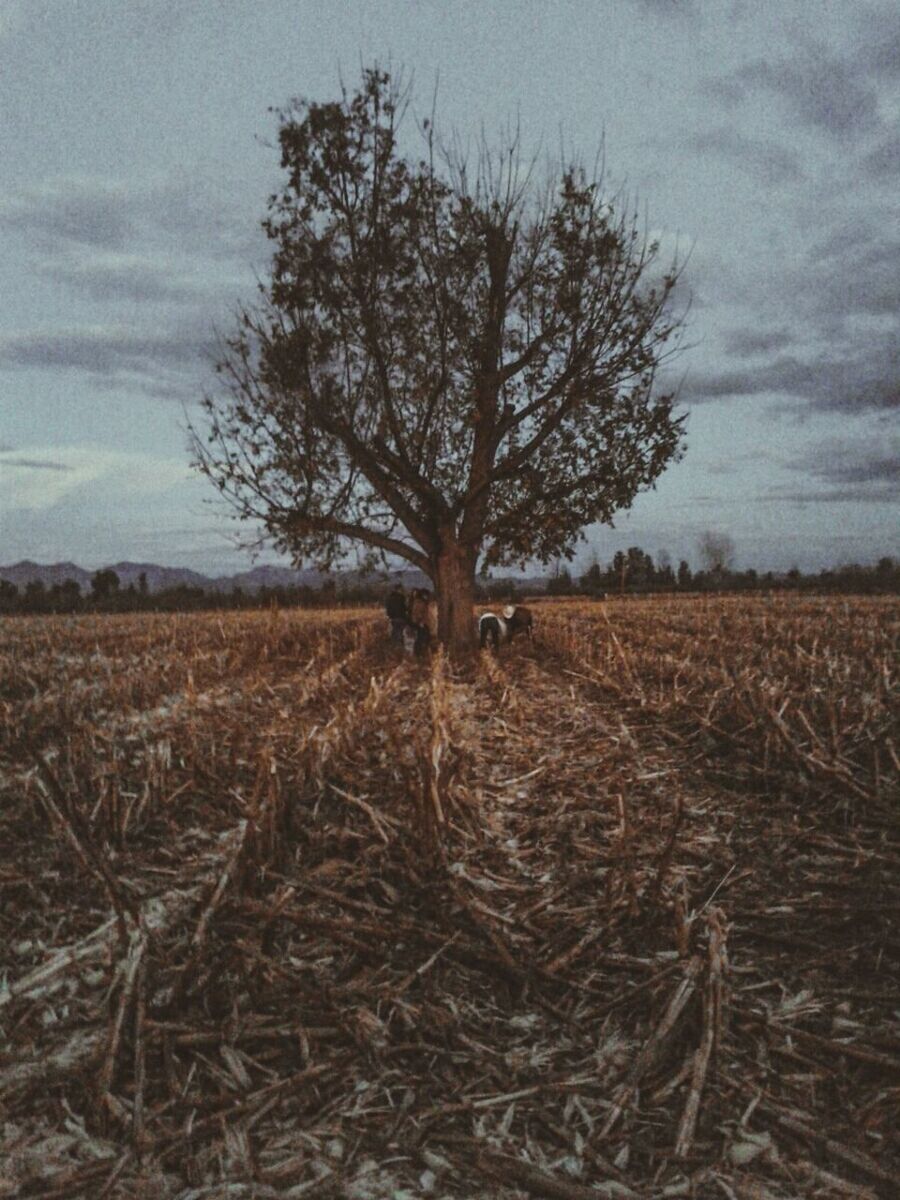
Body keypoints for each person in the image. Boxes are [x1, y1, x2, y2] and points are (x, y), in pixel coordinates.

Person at [408, 587, 432, 657]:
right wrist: (420, 622)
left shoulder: (419, 601)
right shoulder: (419, 602)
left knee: (421, 638)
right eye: (426, 595)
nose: (428, 597)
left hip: (421, 622)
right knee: (421, 638)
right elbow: (418, 613)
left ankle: (420, 653)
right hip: (420, 623)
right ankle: (419, 654)